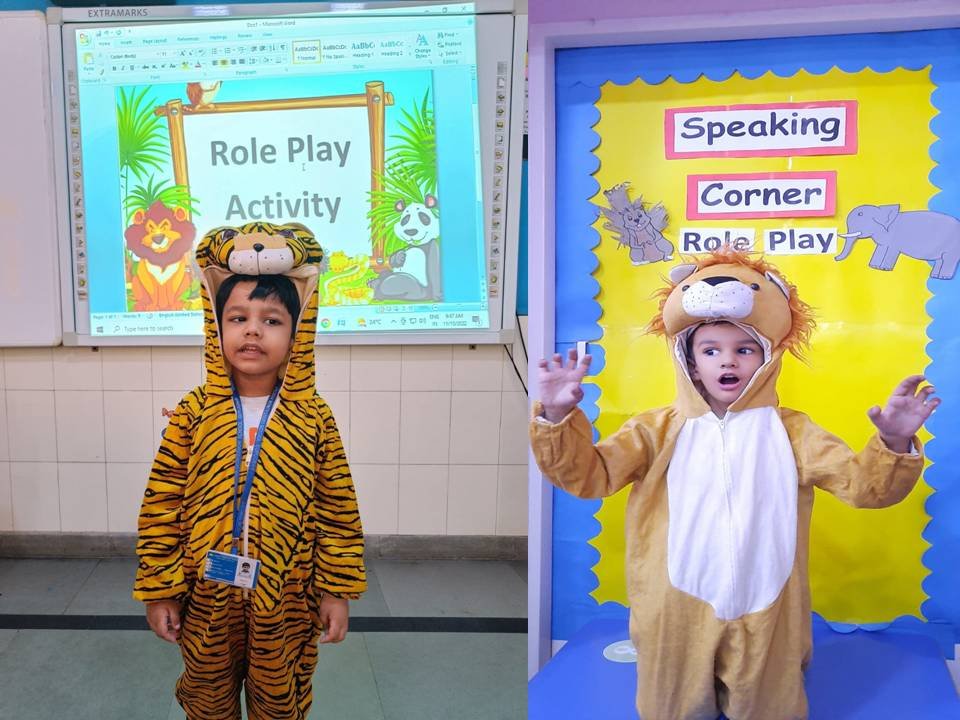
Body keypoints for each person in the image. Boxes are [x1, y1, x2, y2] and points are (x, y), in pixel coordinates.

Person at [529, 249, 938, 720]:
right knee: (671, 711)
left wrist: (893, 440)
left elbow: (866, 488)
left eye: (744, 349)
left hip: (768, 613)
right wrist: (557, 415)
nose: (728, 361)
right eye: (711, 350)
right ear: (689, 361)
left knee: (770, 710)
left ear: (767, 357)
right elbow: (588, 476)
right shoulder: (654, 430)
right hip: (675, 612)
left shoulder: (793, 432)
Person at [134, 222, 365, 720]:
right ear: (216, 327)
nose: (253, 330)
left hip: (286, 598)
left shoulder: (313, 417)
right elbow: (161, 504)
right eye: (238, 318)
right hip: (205, 596)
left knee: (280, 703)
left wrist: (336, 591)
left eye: (272, 320)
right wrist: (160, 589)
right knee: (207, 701)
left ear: (298, 332)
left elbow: (338, 509)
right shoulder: (194, 412)